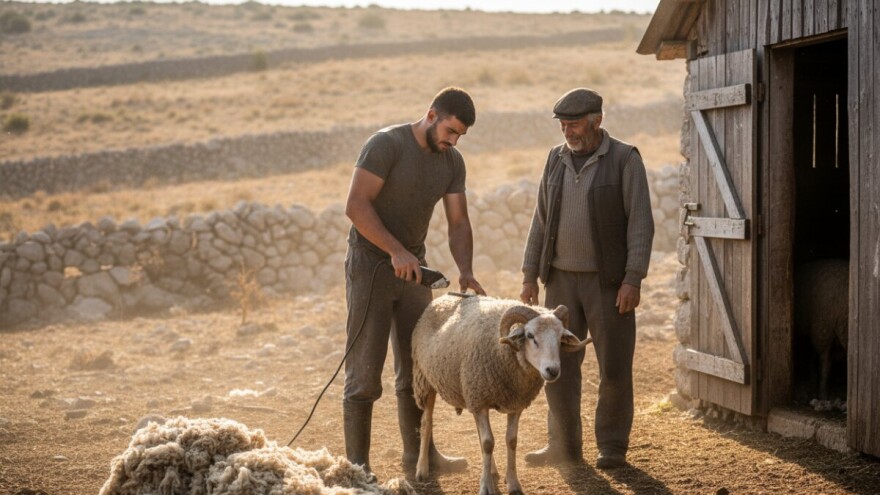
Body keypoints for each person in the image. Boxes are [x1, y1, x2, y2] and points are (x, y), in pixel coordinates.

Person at [342, 87, 486, 479]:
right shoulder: (385, 145)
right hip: (370, 265)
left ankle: (421, 457)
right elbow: (355, 206)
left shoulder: (452, 162)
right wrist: (394, 250)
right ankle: (358, 469)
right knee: (364, 374)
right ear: (431, 114)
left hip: (414, 270)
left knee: (417, 370)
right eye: (450, 131)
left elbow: (458, 222)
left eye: (460, 136)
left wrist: (466, 269)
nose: (453, 141)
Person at [520, 87, 654, 469]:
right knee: (557, 365)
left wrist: (633, 278)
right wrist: (530, 274)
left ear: (597, 121)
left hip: (608, 284)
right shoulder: (555, 159)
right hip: (559, 280)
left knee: (613, 366)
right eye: (563, 125)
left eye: (574, 124)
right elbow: (541, 220)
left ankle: (612, 447)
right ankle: (563, 446)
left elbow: (641, 224)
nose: (567, 132)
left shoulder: (625, 159)